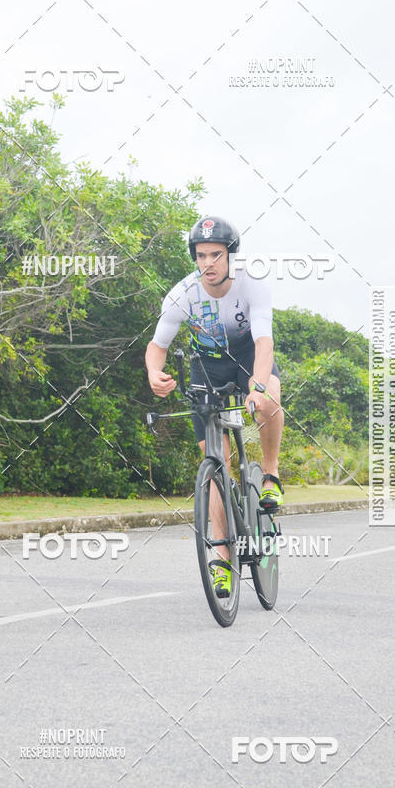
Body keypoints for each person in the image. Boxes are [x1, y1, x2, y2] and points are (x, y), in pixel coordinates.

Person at [145, 215, 284, 598]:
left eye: (215, 255)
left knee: (269, 397)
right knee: (214, 464)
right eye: (201, 255)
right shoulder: (182, 294)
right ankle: (223, 557)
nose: (208, 263)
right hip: (206, 365)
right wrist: (154, 372)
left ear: (230, 255)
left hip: (247, 354)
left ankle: (270, 475)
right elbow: (157, 345)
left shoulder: (251, 284)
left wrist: (257, 386)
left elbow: (264, 342)